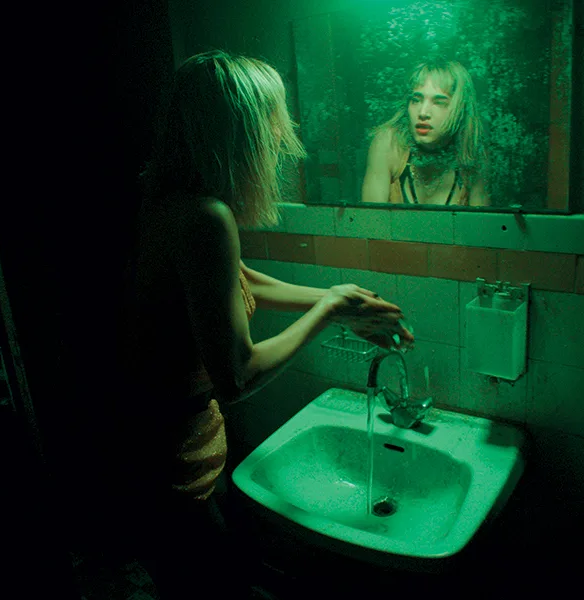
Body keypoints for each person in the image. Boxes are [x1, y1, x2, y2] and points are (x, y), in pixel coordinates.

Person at [114, 50, 414, 599]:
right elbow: (237, 375)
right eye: (272, 120)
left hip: (162, 448)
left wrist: (342, 300)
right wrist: (329, 311)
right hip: (172, 464)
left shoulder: (173, 203)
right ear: (239, 130)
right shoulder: (206, 217)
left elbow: (244, 281)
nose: (282, 135)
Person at [361, 59, 490, 206]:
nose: (423, 112)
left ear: (460, 110)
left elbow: (480, 219)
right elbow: (371, 218)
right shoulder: (389, 144)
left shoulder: (474, 153)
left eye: (439, 102)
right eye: (416, 100)